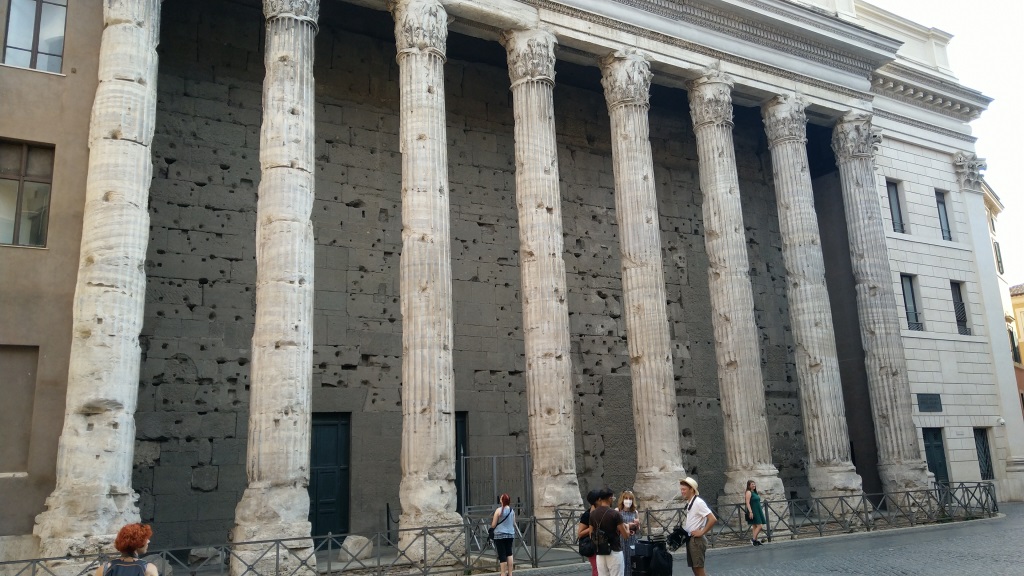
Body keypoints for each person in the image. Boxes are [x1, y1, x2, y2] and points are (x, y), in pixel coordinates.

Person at [679, 477, 716, 576]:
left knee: (699, 569)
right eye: (681, 489)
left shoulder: (698, 502)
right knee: (695, 568)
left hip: (697, 540)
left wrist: (702, 532)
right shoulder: (691, 502)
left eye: (684, 489)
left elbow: (713, 519)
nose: (682, 492)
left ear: (691, 489)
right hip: (692, 539)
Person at [590, 488, 631, 576]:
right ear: (610, 498)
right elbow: (625, 535)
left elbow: (591, 534)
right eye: (613, 498)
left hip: (600, 552)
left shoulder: (592, 514)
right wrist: (627, 527)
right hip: (614, 551)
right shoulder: (615, 514)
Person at [617, 490, 641, 576]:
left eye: (630, 499)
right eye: (626, 498)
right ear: (622, 500)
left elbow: (638, 530)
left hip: (632, 539)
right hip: (621, 539)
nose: (628, 501)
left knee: (632, 561)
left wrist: (637, 525)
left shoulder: (635, 512)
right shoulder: (618, 511)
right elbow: (616, 526)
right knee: (622, 562)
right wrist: (628, 525)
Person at [491, 493, 516, 576]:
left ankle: (503, 573)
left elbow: (493, 525)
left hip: (499, 535)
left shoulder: (498, 510)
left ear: (502, 500)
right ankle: (510, 573)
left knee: (502, 555)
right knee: (509, 553)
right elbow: (514, 523)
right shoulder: (512, 510)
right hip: (510, 534)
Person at [578, 489, 601, 576]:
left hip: (601, 544)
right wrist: (593, 527)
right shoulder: (587, 515)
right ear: (597, 500)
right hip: (592, 545)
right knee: (597, 568)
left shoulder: (601, 512)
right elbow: (580, 533)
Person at [744, 479, 766, 546]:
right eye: (752, 484)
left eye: (754, 484)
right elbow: (747, 502)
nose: (754, 485)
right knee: (760, 526)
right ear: (749, 485)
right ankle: (753, 539)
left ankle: (755, 541)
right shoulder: (748, 492)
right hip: (753, 511)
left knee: (754, 526)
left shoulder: (754, 492)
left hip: (758, 510)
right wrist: (750, 512)